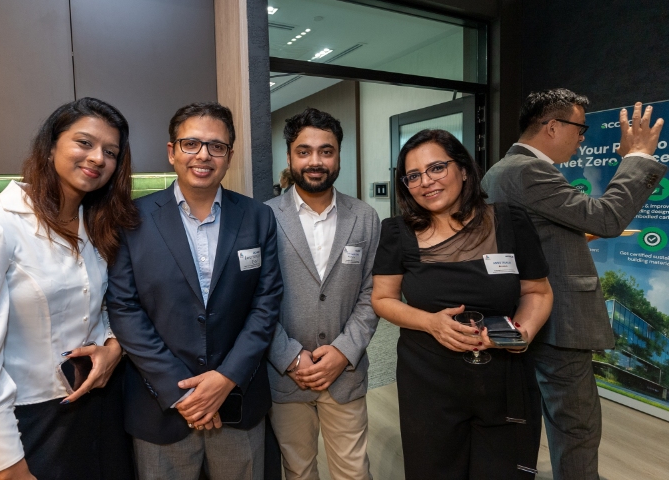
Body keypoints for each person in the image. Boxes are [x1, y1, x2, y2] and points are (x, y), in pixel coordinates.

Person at [0, 98, 138, 480]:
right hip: (27, 423)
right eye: (84, 142)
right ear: (50, 147)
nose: (97, 158)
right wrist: (9, 466)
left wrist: (113, 347)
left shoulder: (98, 227)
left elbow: (107, 306)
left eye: (110, 152)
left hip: (101, 409)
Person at [482, 89, 667, 479]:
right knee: (577, 427)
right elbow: (607, 218)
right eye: (580, 129)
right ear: (552, 126)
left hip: (535, 314)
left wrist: (574, 237)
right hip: (559, 321)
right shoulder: (528, 171)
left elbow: (533, 237)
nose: (583, 138)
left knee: (556, 420)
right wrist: (637, 157)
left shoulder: (502, 170)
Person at [106, 101, 283, 480]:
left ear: (229, 156)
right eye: (191, 144)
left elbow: (266, 303)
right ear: (172, 151)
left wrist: (227, 377)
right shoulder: (131, 219)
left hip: (237, 400)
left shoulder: (257, 217)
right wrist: (181, 391)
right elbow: (124, 308)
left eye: (216, 146)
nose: (203, 155)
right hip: (162, 406)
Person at [371, 129, 553, 479]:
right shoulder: (397, 232)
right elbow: (382, 299)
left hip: (503, 378)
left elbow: (538, 292)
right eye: (413, 176)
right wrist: (431, 323)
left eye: (437, 168)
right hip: (428, 380)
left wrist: (522, 333)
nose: (426, 181)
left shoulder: (510, 221)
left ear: (464, 170)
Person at [265, 108, 379, 480]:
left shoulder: (364, 217)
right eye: (304, 151)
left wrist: (344, 351)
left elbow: (372, 292)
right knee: (298, 471)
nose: (315, 161)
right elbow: (254, 301)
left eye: (326, 151)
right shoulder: (263, 217)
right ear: (289, 157)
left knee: (353, 472)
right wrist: (289, 357)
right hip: (285, 375)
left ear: (338, 155)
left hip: (345, 374)